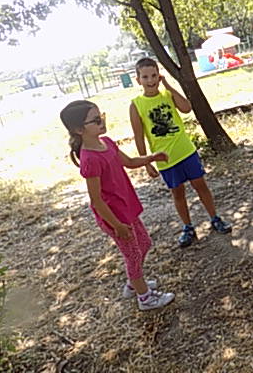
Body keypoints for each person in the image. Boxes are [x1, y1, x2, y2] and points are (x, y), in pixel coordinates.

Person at [59, 100, 175, 311]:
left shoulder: (107, 142)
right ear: (78, 130)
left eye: (101, 116)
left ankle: (134, 284)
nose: (102, 122)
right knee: (133, 254)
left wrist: (151, 158)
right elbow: (96, 200)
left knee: (144, 243)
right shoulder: (90, 159)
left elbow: (128, 162)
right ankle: (145, 298)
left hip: (126, 206)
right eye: (95, 120)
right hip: (114, 216)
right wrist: (117, 226)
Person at [130, 58, 232, 247]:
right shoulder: (136, 105)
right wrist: (146, 163)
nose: (150, 80)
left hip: (186, 151)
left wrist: (168, 86)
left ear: (159, 76)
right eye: (145, 77)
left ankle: (215, 218)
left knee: (201, 186)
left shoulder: (168, 95)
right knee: (177, 193)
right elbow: (139, 136)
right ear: (138, 80)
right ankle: (188, 227)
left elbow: (186, 108)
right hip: (165, 159)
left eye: (154, 75)